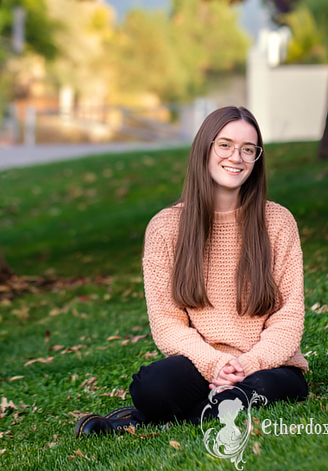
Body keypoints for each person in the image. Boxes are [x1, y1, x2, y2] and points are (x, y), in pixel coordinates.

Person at [75, 106, 308, 438]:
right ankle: (211, 402)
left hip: (266, 367)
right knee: (152, 387)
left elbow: (288, 317)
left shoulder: (278, 221)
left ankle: (143, 421)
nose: (236, 157)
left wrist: (249, 364)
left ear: (257, 158)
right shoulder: (165, 228)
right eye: (225, 145)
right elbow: (168, 324)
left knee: (269, 387)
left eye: (248, 149)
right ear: (205, 149)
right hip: (199, 363)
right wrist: (215, 364)